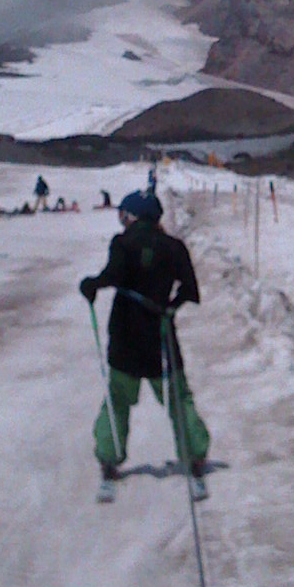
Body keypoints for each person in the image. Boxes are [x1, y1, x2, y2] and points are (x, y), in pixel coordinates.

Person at [78, 190, 210, 501]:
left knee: (118, 398)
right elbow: (190, 290)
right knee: (178, 398)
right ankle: (195, 455)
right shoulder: (173, 247)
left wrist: (91, 285)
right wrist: (169, 306)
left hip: (125, 335)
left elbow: (113, 276)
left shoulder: (122, 243)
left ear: (132, 216)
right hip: (160, 335)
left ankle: (109, 459)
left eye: (123, 214)